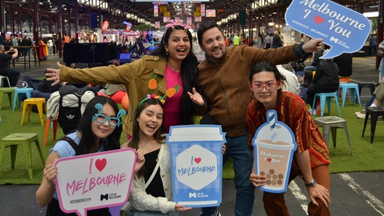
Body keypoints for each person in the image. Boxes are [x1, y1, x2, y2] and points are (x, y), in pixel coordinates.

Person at [196, 21, 323, 216]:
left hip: (244, 133)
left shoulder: (242, 53)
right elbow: (203, 104)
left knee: (246, 185)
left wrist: (301, 48)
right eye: (209, 41)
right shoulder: (200, 71)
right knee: (204, 179)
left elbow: (271, 56)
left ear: (224, 39)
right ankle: (210, 213)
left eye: (218, 38)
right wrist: (202, 106)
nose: (215, 44)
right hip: (217, 136)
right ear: (202, 46)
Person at [45, 24, 203, 139]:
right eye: (176, 40)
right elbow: (111, 72)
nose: (182, 43)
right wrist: (70, 74)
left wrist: (201, 104)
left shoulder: (191, 71)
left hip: (177, 137)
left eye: (186, 40)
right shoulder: (147, 66)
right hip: (145, 136)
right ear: (166, 46)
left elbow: (198, 110)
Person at [35, 96, 144, 215]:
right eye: (101, 116)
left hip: (98, 209)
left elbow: (113, 187)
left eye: (113, 119)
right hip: (65, 211)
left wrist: (131, 170)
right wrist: (51, 183)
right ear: (88, 117)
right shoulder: (63, 150)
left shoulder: (108, 148)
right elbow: (41, 201)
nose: (106, 124)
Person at [247, 62, 331, 216]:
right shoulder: (253, 109)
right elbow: (256, 144)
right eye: (258, 85)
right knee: (271, 199)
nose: (264, 89)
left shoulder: (294, 104)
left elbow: (301, 147)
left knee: (319, 199)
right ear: (251, 86)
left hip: (310, 151)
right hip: (278, 155)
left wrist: (310, 184)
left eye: (269, 84)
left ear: (278, 84)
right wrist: (256, 169)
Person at [121, 97, 192, 215]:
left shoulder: (169, 142)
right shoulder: (125, 151)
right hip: (144, 213)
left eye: (159, 117)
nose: (154, 120)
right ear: (137, 117)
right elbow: (135, 197)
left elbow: (191, 159)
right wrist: (169, 205)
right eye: (149, 114)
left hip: (172, 211)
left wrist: (215, 151)